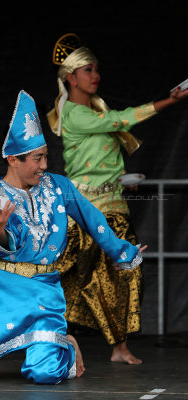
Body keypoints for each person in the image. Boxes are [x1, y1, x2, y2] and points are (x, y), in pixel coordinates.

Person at [0, 90, 146, 384]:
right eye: (37, 158)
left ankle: (65, 343)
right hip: (3, 294)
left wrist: (122, 252)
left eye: (45, 156)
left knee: (45, 374)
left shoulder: (59, 187)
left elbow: (95, 222)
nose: (43, 165)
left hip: (44, 293)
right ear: (13, 159)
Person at [47, 33, 188, 365]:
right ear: (71, 77)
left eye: (97, 69)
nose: (96, 75)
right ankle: (13, 334)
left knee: (121, 272)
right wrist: (169, 101)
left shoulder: (92, 113)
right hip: (85, 211)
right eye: (88, 70)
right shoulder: (75, 115)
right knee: (57, 274)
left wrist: (120, 180)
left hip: (111, 207)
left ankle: (118, 346)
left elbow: (94, 162)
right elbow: (120, 120)